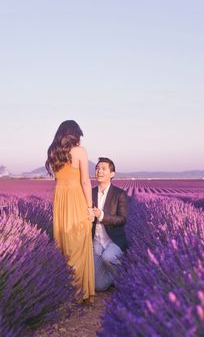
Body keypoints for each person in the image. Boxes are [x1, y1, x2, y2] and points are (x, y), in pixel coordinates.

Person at [45, 120, 95, 302]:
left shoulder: (53, 151)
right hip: (75, 198)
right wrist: (90, 208)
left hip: (60, 199)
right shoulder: (80, 151)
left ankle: (64, 292)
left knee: (64, 243)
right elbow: (85, 182)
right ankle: (78, 292)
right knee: (79, 242)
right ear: (74, 135)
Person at [92, 157, 128, 291]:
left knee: (108, 257)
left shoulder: (120, 194)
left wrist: (101, 215)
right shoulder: (90, 192)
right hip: (95, 241)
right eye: (97, 168)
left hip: (113, 240)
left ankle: (124, 278)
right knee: (99, 286)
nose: (99, 171)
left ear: (112, 174)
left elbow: (122, 219)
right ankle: (112, 276)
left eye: (103, 169)